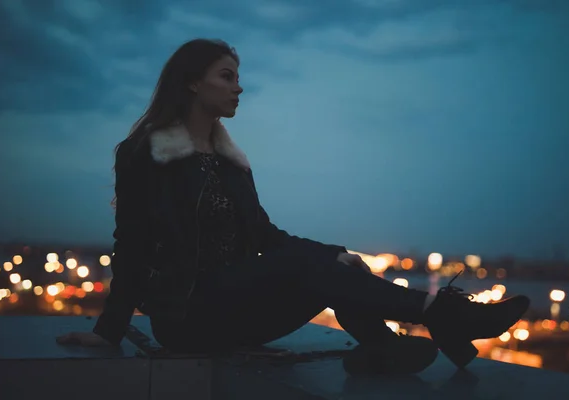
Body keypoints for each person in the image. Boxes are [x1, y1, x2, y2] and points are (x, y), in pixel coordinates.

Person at [56, 39, 530, 375]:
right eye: (227, 77)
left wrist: (336, 253)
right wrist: (110, 330)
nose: (238, 87)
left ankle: (385, 349)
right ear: (193, 83)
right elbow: (133, 243)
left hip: (240, 310)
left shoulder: (230, 164)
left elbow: (266, 237)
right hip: (186, 316)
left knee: (336, 263)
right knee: (316, 265)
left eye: (238, 78)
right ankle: (445, 317)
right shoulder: (146, 153)